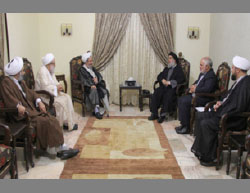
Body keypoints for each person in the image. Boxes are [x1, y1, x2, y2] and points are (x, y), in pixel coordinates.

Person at [1, 57, 79, 160]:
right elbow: (9, 99)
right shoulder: (6, 83)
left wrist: (39, 101)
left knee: (51, 119)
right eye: (22, 71)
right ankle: (57, 150)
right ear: (17, 73)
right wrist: (17, 106)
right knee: (45, 121)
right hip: (19, 115)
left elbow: (31, 93)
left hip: (29, 111)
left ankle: (60, 148)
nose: (24, 73)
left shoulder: (20, 82)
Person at [191, 56, 250, 167]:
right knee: (200, 116)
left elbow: (239, 106)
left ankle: (211, 157)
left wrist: (222, 110)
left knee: (206, 123)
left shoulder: (246, 84)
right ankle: (202, 151)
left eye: (232, 68)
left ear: (237, 70)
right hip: (226, 113)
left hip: (234, 119)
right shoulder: (239, 81)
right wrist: (220, 103)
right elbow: (229, 98)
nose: (231, 70)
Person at [35, 53, 78, 131]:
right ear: (48, 64)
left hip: (52, 94)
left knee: (67, 97)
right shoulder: (42, 71)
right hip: (45, 97)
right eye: (53, 63)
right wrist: (55, 88)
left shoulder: (50, 71)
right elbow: (45, 87)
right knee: (60, 103)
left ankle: (68, 123)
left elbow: (55, 82)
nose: (55, 65)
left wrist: (59, 86)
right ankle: (58, 126)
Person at [175, 57, 217, 134]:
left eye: (201, 65)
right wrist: (192, 86)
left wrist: (196, 89)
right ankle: (183, 124)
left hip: (204, 98)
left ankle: (186, 127)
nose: (199, 67)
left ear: (207, 67)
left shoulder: (211, 76)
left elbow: (207, 89)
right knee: (181, 99)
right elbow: (197, 82)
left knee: (184, 101)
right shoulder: (203, 73)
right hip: (197, 95)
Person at [148, 52, 185, 123]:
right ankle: (154, 113)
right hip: (164, 87)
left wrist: (170, 82)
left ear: (174, 60)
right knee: (156, 93)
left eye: (170, 58)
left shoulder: (178, 69)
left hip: (172, 88)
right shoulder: (166, 68)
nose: (169, 60)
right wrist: (162, 80)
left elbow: (182, 79)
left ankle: (163, 115)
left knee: (168, 95)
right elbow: (159, 76)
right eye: (168, 58)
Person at [79, 51, 109, 119]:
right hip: (88, 88)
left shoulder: (92, 68)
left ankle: (105, 108)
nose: (91, 62)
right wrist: (90, 85)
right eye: (90, 61)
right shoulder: (82, 70)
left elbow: (99, 75)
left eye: (91, 61)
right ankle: (96, 111)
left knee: (104, 90)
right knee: (94, 89)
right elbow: (83, 80)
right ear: (86, 62)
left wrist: (97, 79)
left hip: (96, 85)